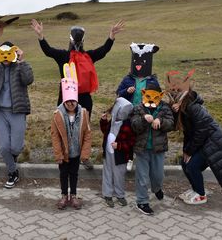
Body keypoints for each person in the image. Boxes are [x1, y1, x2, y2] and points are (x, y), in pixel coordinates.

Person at [31, 18, 124, 170]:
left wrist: (111, 36)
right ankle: (65, 155)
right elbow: (48, 51)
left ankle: (84, 156)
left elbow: (103, 51)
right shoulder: (63, 56)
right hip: (66, 98)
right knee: (65, 127)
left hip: (85, 99)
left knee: (84, 128)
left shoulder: (89, 56)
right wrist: (41, 36)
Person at [169, 79, 222, 204]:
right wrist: (185, 151)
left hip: (212, 143)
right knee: (184, 163)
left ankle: (201, 195)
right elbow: (186, 132)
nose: (174, 94)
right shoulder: (182, 108)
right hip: (201, 142)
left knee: (193, 166)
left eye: (177, 91)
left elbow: (202, 131)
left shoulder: (193, 107)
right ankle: (195, 189)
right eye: (173, 92)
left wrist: (190, 151)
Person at [0, 41, 33, 189]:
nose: (5, 58)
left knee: (16, 147)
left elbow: (28, 80)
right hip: (0, 112)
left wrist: (22, 60)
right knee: (4, 147)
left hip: (17, 110)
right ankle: (12, 172)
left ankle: (12, 160)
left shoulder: (19, 67)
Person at [51, 63, 91, 210]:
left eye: (73, 101)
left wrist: (85, 153)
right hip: (63, 153)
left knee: (74, 174)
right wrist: (58, 153)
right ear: (64, 101)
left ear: (76, 100)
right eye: (68, 101)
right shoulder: (57, 115)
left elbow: (87, 134)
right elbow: (55, 136)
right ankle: (63, 195)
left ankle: (73, 195)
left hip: (76, 152)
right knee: (63, 174)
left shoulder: (84, 113)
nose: (70, 104)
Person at [130, 84, 174, 215]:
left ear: (160, 96)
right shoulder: (138, 108)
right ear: (144, 94)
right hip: (142, 149)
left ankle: (157, 188)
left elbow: (171, 123)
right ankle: (142, 201)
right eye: (148, 95)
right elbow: (134, 125)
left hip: (158, 149)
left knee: (158, 175)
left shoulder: (165, 108)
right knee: (142, 177)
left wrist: (160, 121)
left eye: (155, 96)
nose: (151, 99)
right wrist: (143, 119)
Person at [116, 43, 160, 172]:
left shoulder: (152, 81)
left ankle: (143, 158)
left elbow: (158, 97)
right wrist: (126, 91)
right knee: (129, 133)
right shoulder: (128, 79)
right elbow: (119, 93)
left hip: (145, 112)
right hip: (130, 111)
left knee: (142, 134)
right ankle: (129, 157)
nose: (139, 65)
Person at [100, 97, 135, 207]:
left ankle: (120, 195)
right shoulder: (112, 122)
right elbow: (105, 131)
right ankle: (107, 194)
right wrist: (103, 121)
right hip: (108, 153)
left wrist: (119, 145)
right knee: (107, 173)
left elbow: (131, 142)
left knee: (119, 175)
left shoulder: (128, 125)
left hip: (120, 156)